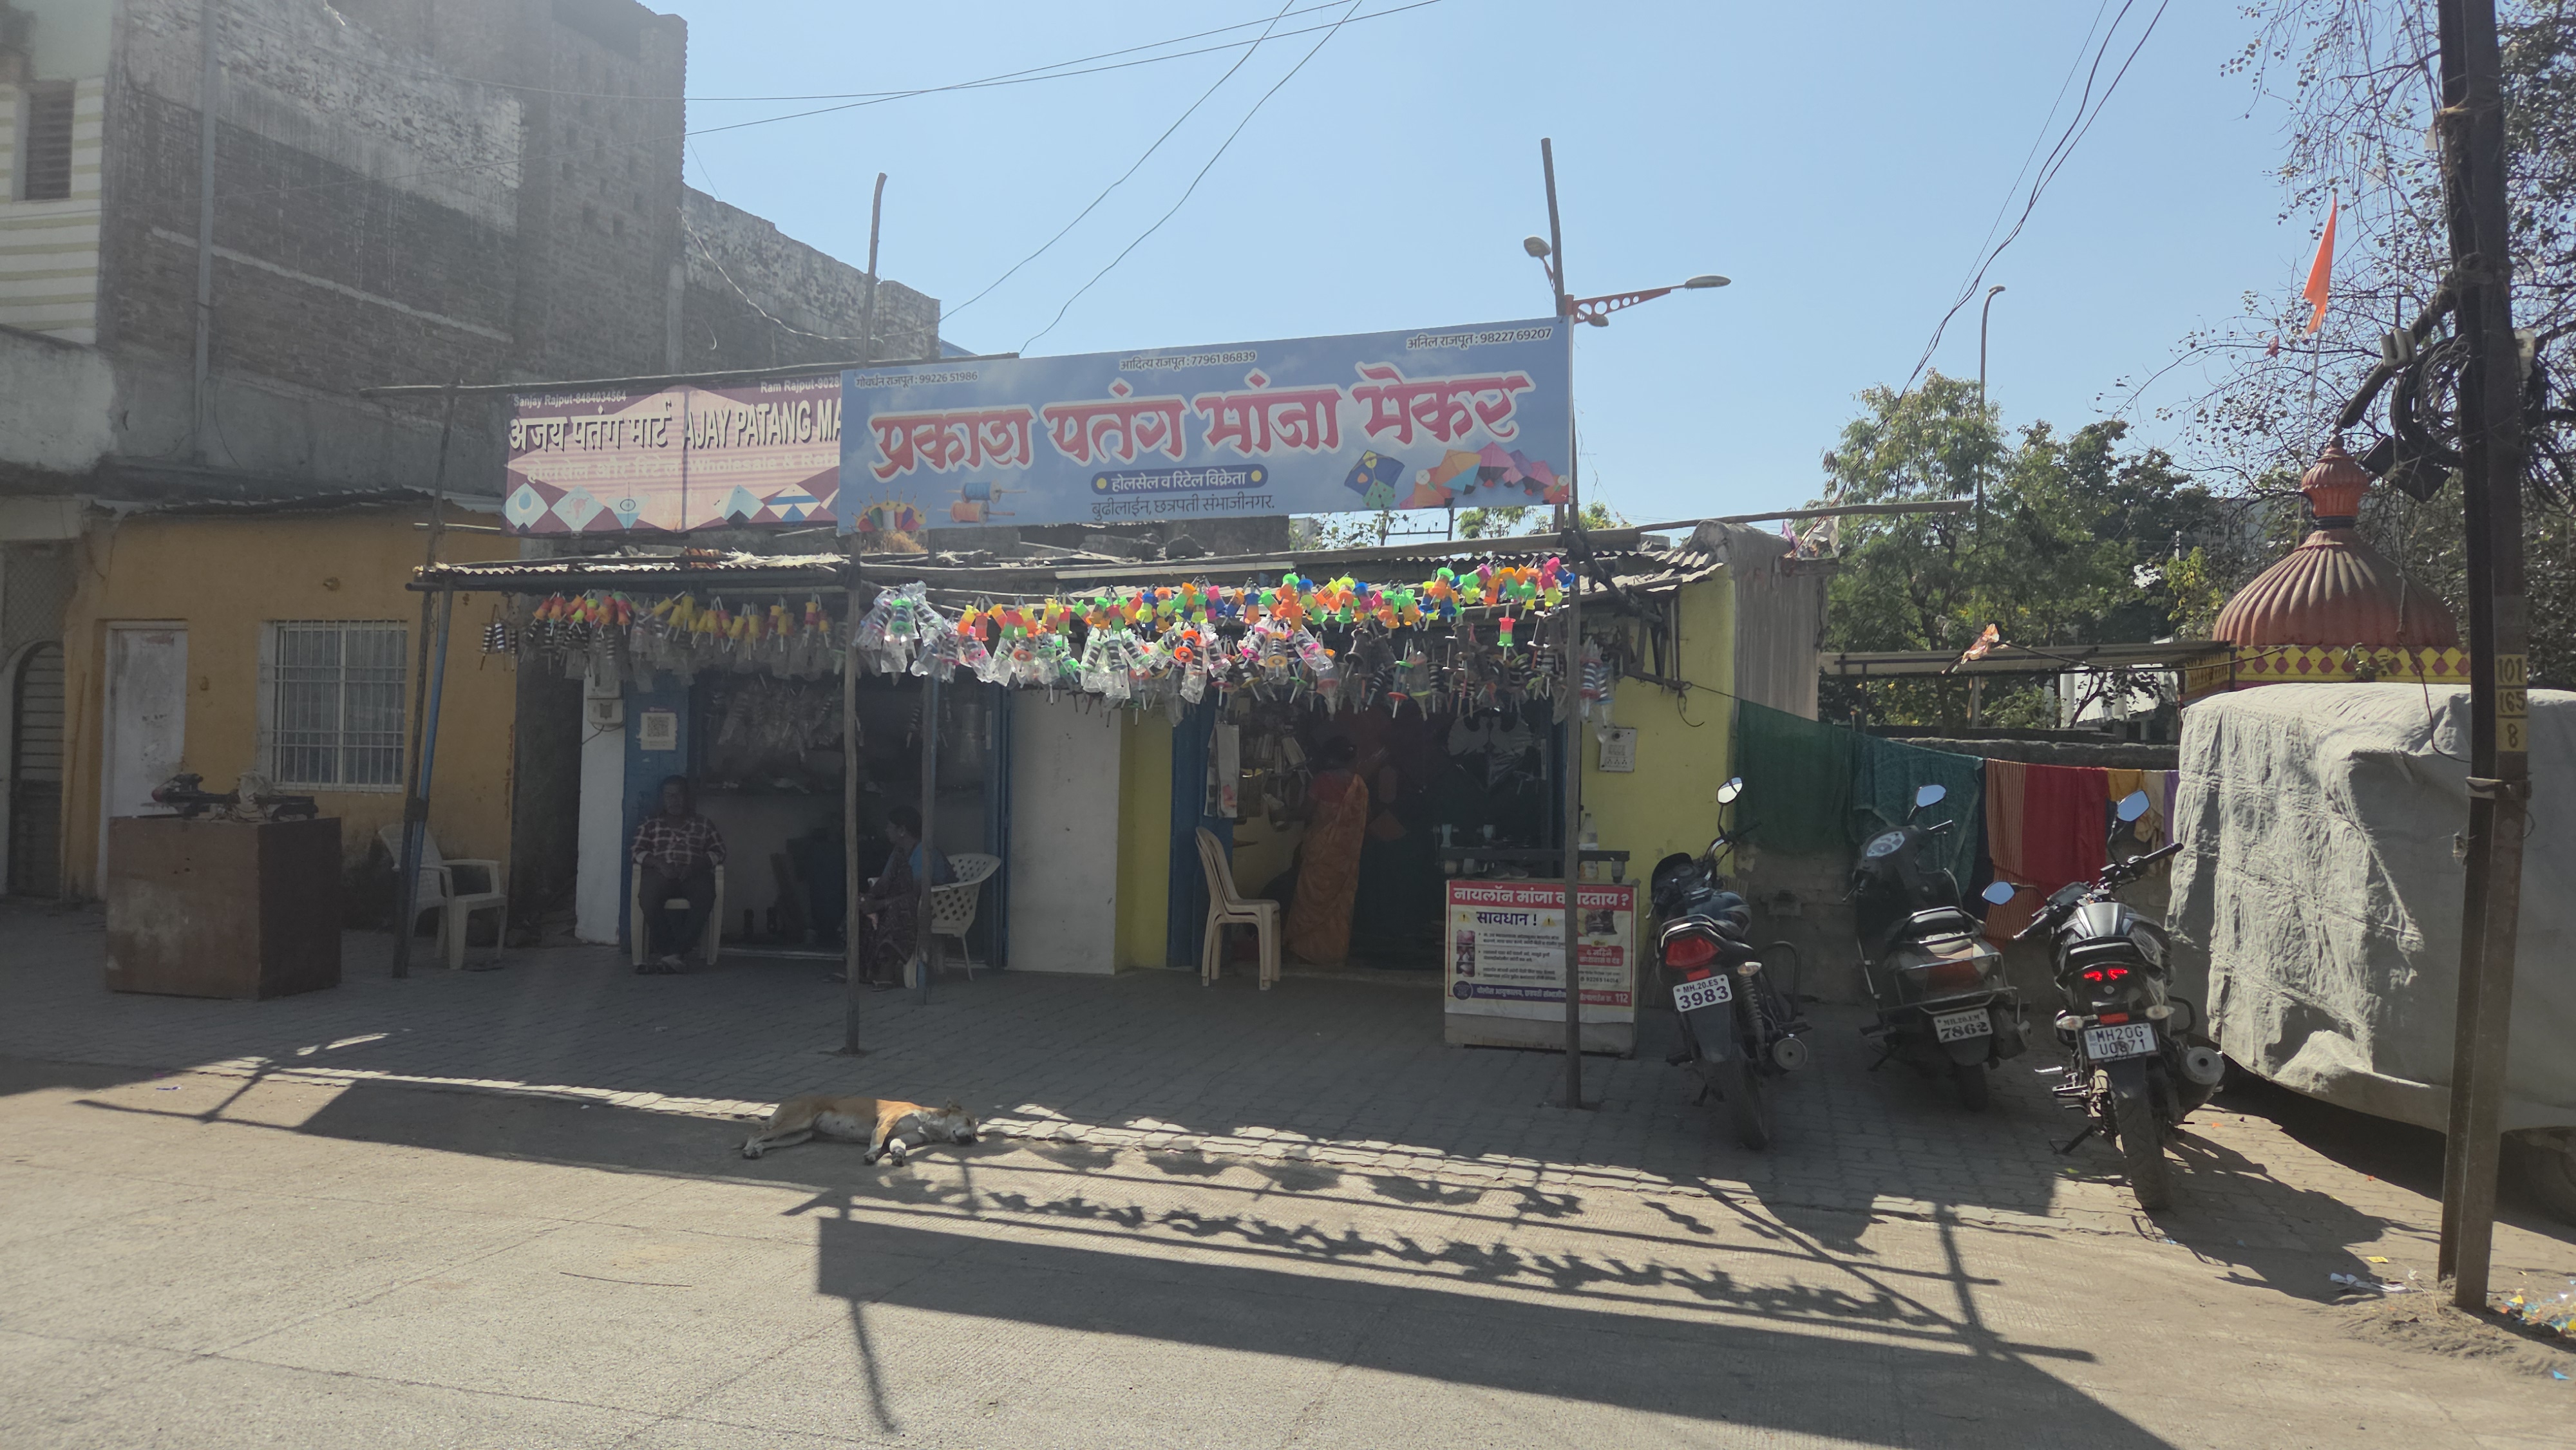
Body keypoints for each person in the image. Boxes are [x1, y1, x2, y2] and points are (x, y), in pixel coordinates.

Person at [1285, 737, 1370, 966]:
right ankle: (1333, 955)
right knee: (1339, 907)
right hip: (1345, 861)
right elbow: (1362, 822)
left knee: (1308, 902)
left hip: (1319, 855)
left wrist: (1283, 813)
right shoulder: (1360, 786)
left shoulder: (1322, 781)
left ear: (1330, 758)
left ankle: (1303, 954)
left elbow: (1305, 812)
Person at [631, 775, 724, 974]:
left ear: (688, 797)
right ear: (662, 799)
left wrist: (698, 865)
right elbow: (636, 851)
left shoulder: (703, 824)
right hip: (660, 873)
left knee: (706, 895)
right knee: (648, 897)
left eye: (679, 795)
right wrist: (659, 864)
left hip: (693, 874)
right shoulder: (650, 823)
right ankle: (673, 954)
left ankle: (673, 955)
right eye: (669, 796)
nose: (675, 800)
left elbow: (719, 851)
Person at [853, 804, 953, 989]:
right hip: (907, 900)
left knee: (898, 909)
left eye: (889, 826)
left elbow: (916, 891)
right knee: (860, 908)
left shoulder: (924, 851)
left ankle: (887, 971)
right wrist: (869, 898)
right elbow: (885, 881)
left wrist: (880, 904)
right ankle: (863, 969)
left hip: (935, 904)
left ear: (902, 830)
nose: (886, 830)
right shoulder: (899, 851)